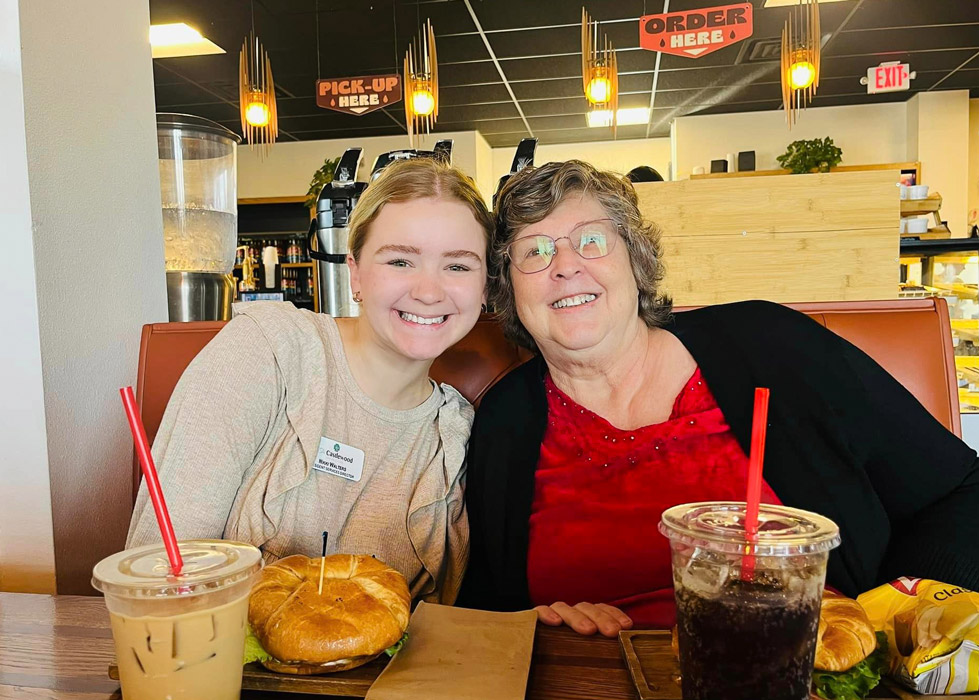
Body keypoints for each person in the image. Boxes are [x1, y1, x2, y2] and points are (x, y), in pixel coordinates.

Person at [458, 159, 979, 635]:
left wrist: (899, 620)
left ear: (635, 262)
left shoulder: (770, 346)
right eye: (535, 251)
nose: (566, 265)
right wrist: (542, 624)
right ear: (508, 289)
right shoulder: (505, 419)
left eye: (591, 240)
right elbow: (488, 604)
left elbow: (960, 491)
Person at [128, 158, 492, 604]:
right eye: (400, 260)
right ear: (355, 273)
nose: (429, 290)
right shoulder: (270, 350)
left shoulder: (459, 431)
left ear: (485, 287)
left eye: (458, 267)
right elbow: (159, 570)